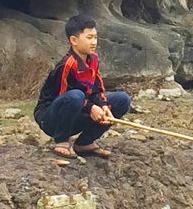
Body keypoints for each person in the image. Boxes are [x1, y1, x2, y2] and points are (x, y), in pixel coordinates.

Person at [35, 14, 133, 159]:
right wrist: (91, 108)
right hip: (52, 118)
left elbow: (97, 88)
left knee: (122, 100)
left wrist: (103, 105)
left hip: (76, 113)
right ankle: (62, 141)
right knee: (76, 96)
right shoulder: (67, 65)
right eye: (89, 38)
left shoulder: (93, 59)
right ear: (73, 40)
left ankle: (85, 143)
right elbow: (64, 96)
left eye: (95, 37)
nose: (94, 42)